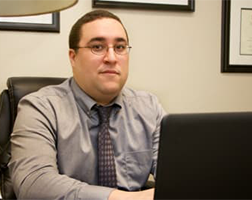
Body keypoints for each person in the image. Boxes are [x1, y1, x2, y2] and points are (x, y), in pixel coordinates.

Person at [9, 10, 166, 200]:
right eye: (98, 47)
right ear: (73, 57)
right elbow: (33, 184)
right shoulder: (40, 108)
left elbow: (177, 175)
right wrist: (124, 199)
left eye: (120, 47)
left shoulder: (149, 108)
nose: (111, 57)